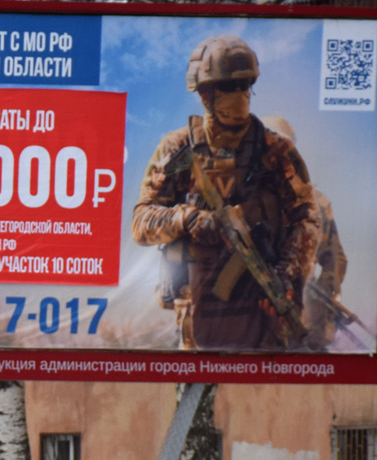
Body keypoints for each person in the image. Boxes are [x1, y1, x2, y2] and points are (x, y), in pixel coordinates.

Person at [132, 35, 319, 351]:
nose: (241, 94)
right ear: (205, 93)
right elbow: (141, 223)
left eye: (245, 85)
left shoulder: (276, 151)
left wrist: (285, 275)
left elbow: (307, 220)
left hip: (261, 314)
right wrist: (189, 218)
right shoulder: (177, 148)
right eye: (229, 87)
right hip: (197, 315)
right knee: (200, 395)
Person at [262, 115, 351, 350]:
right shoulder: (250, 199)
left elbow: (334, 260)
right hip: (262, 309)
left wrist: (319, 299)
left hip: (296, 310)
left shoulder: (318, 203)